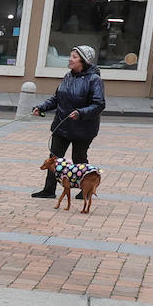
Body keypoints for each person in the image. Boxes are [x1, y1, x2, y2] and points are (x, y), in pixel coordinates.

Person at [32, 45, 105, 198]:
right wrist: (42, 107)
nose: (70, 59)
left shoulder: (94, 80)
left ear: (84, 61)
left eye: (74, 57)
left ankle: (86, 190)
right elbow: (57, 98)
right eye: (71, 56)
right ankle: (49, 190)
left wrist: (80, 112)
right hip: (62, 125)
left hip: (83, 129)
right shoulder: (68, 76)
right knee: (54, 160)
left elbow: (99, 104)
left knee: (79, 160)